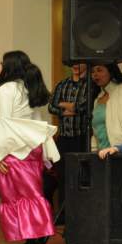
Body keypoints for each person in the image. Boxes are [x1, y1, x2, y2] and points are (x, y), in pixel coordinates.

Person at [0, 51, 59, 244]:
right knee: (32, 193)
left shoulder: (6, 88)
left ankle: (36, 239)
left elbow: (5, 123)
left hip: (14, 149)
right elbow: (36, 121)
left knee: (17, 195)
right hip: (32, 147)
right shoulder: (28, 87)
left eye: (1, 63)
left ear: (10, 66)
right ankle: (36, 237)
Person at [47, 63, 91, 217]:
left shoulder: (90, 84)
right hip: (63, 138)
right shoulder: (62, 84)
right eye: (73, 63)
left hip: (83, 138)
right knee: (62, 176)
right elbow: (51, 107)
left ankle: (81, 214)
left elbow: (85, 107)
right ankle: (64, 215)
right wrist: (69, 108)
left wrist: (64, 106)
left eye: (79, 62)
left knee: (82, 176)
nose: (75, 65)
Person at [90, 63, 122, 151]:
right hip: (102, 154)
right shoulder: (97, 99)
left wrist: (120, 148)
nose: (95, 74)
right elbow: (95, 130)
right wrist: (94, 150)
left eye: (99, 70)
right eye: (92, 72)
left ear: (111, 72)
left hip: (119, 152)